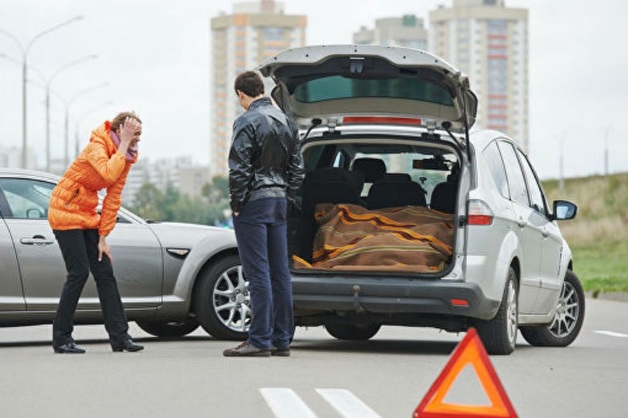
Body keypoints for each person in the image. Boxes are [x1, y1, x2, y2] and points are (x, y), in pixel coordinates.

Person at [48, 111, 145, 354]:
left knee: (104, 272)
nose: (137, 140)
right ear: (120, 130)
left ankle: (120, 338)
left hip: (86, 213)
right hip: (64, 209)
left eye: (139, 136)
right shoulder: (97, 146)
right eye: (133, 134)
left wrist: (103, 237)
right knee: (78, 272)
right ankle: (61, 338)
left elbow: (113, 198)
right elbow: (107, 174)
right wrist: (124, 143)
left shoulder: (125, 157)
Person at [223, 71, 304, 357]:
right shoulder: (287, 121)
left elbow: (240, 166)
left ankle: (259, 339)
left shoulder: (246, 121)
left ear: (241, 95)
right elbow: (297, 169)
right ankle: (281, 339)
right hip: (279, 201)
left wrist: (237, 202)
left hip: (253, 204)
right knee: (280, 273)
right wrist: (287, 194)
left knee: (258, 272)